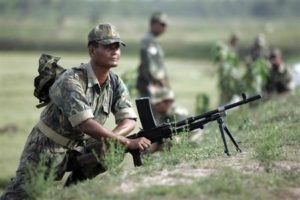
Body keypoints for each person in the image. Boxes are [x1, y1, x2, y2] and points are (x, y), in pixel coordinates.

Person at [0, 23, 151, 200]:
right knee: (20, 195)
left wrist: (114, 141)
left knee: (113, 149)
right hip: (47, 149)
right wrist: (126, 142)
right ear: (92, 50)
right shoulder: (71, 80)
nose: (115, 51)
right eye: (108, 46)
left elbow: (129, 120)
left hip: (79, 149)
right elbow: (86, 125)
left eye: (117, 46)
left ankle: (71, 192)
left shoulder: (115, 81)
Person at [136, 11, 170, 97]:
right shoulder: (148, 41)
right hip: (150, 84)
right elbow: (148, 63)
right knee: (150, 109)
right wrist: (159, 79)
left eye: (165, 25)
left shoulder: (152, 40)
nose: (164, 28)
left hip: (152, 83)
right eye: (162, 24)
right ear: (153, 24)